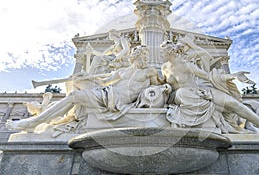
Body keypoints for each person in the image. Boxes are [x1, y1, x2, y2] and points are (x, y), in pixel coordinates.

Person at [6, 46, 160, 131]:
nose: (144, 59)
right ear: (134, 58)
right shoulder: (122, 71)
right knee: (75, 88)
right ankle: (48, 120)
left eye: (145, 57)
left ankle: (31, 123)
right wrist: (87, 76)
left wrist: (165, 87)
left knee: (74, 96)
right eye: (141, 57)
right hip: (107, 93)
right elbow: (104, 81)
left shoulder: (149, 71)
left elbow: (158, 85)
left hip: (117, 101)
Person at [160, 41, 259, 140]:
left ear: (171, 51)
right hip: (181, 95)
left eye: (162, 52)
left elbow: (209, 77)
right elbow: (163, 82)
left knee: (234, 104)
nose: (160, 54)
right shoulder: (164, 67)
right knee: (183, 94)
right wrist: (164, 87)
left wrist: (234, 75)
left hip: (199, 92)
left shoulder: (187, 65)